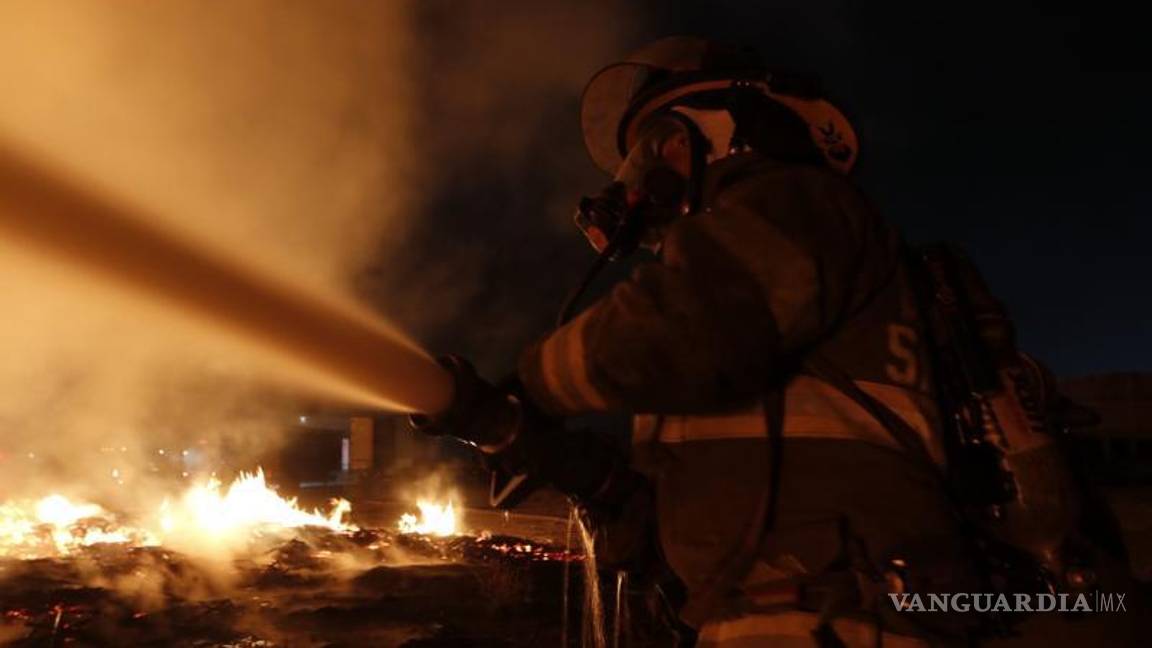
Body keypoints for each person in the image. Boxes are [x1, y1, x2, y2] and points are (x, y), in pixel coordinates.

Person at [415, 37, 1133, 647]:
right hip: (771, 616)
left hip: (843, 618)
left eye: (649, 152)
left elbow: (691, 323)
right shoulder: (728, 308)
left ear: (701, 137)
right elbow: (676, 503)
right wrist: (531, 442)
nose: (632, 186)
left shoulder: (798, 205)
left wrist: (530, 384)